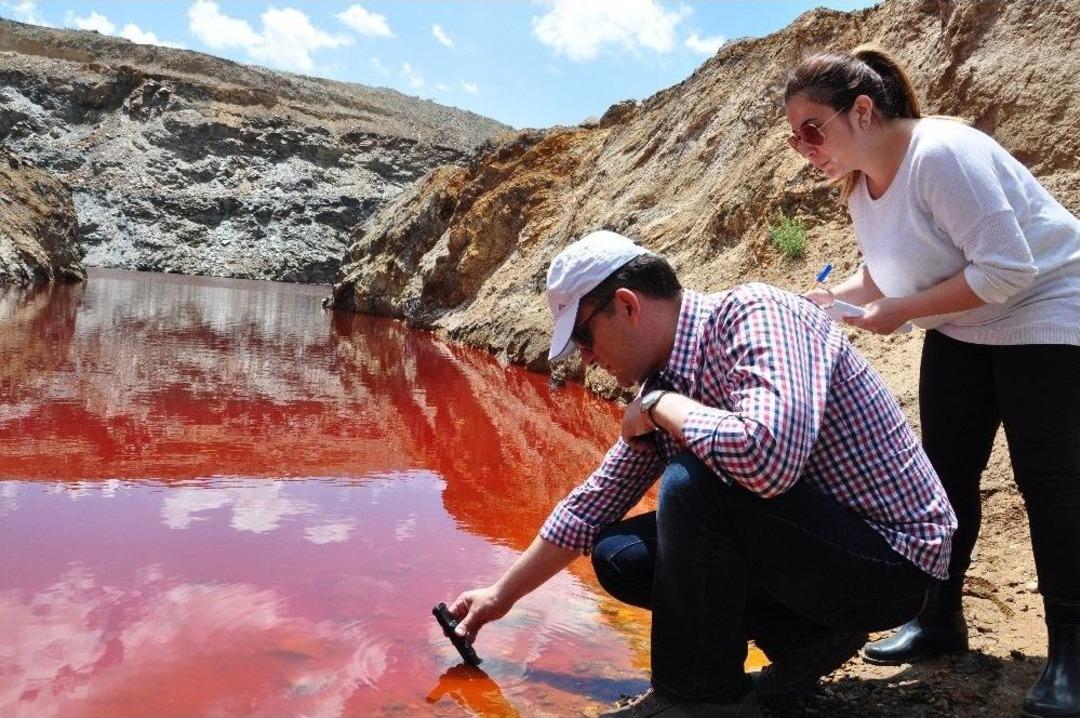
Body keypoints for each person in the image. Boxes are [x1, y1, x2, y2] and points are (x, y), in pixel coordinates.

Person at [445, 229, 956, 718]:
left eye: (584, 336)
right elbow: (591, 504)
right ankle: (808, 639)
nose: (588, 359)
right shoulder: (663, 379)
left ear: (627, 305)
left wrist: (662, 404)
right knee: (619, 557)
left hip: (893, 562)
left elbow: (767, 459)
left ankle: (699, 698)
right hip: (819, 553)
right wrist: (500, 595)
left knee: (695, 481)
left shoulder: (757, 315)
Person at [784, 46, 1080, 718]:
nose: (803, 147)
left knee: (1051, 483)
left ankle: (1071, 653)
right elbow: (891, 272)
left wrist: (896, 314)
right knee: (941, 478)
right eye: (792, 135)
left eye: (812, 128)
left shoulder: (943, 155)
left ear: (862, 110)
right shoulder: (862, 183)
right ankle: (939, 618)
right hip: (964, 322)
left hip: (1046, 309)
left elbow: (1011, 270)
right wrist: (829, 301)